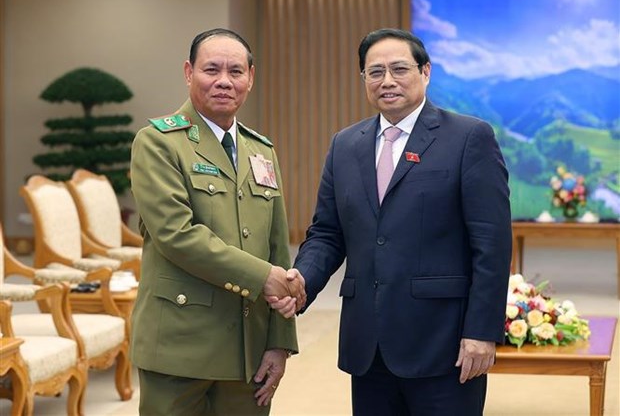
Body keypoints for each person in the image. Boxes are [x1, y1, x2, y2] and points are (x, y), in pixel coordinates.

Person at [270, 28, 512, 415]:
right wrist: (302, 281)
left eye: (399, 69)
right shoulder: (345, 145)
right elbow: (328, 234)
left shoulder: (468, 137)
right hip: (368, 345)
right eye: (375, 72)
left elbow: (493, 245)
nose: (387, 81)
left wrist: (481, 332)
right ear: (363, 78)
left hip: (444, 344)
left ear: (425, 72)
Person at [130, 28, 305, 416]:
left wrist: (279, 342)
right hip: (180, 346)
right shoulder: (158, 143)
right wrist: (264, 277)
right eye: (212, 69)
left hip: (249, 351)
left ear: (251, 78)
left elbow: (277, 248)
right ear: (189, 72)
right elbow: (177, 235)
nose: (224, 81)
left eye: (236, 71)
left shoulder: (260, 150)